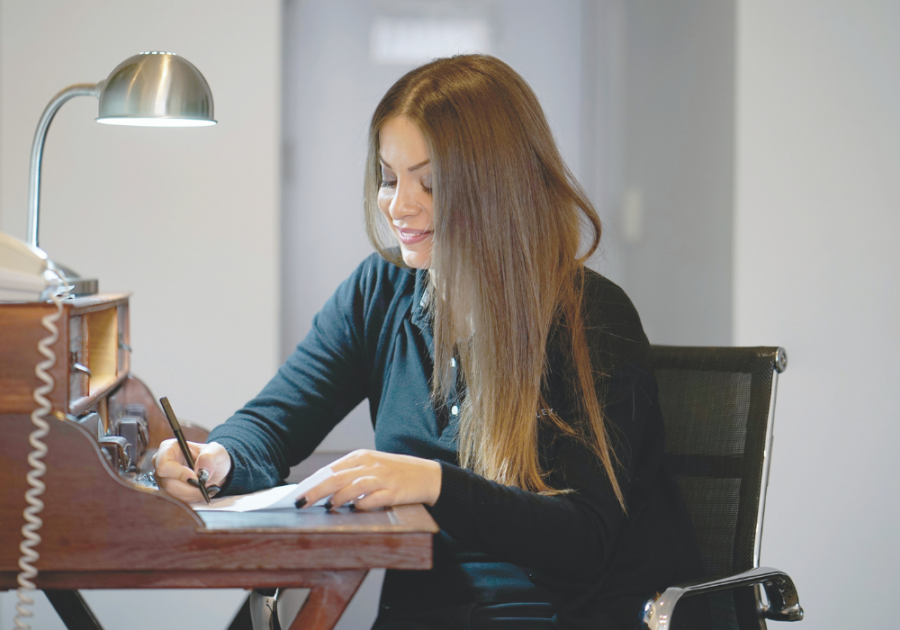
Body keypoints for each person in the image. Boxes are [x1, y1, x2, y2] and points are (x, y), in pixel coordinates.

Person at [153, 54, 703, 629]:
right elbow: (272, 423)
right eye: (390, 178)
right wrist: (221, 457)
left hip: (562, 615)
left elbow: (584, 537)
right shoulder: (379, 291)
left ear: (498, 186)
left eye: (431, 183)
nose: (398, 204)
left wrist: (433, 484)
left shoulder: (590, 317)